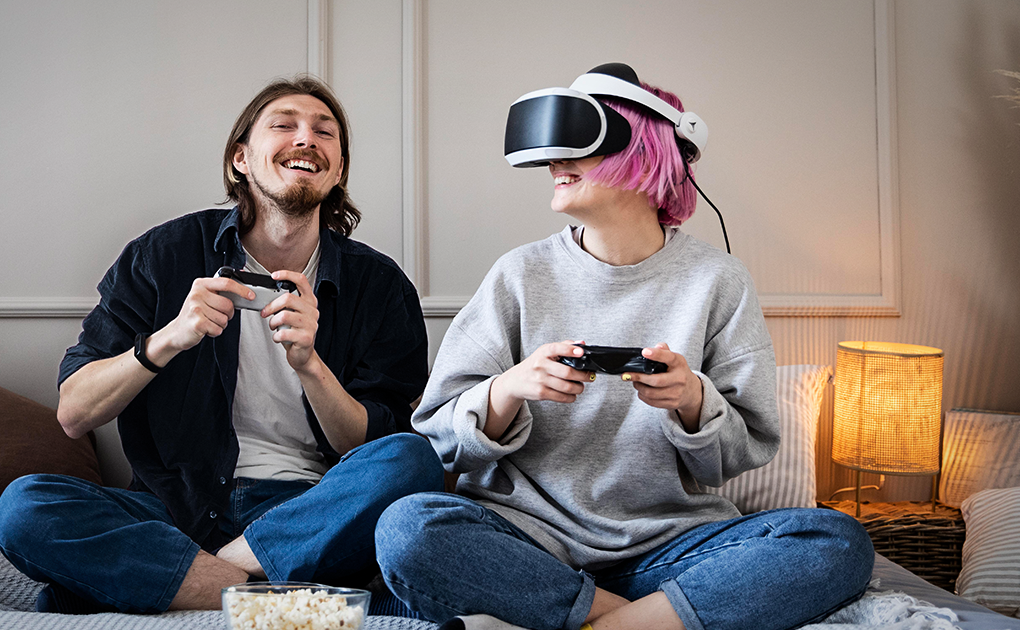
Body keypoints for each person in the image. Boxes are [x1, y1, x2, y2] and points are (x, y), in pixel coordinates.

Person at [375, 64, 874, 630]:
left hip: (671, 551)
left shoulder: (718, 281)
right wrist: (510, 388)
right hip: (525, 546)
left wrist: (692, 399)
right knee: (407, 528)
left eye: (577, 148)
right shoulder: (518, 275)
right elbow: (437, 440)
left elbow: (739, 456)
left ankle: (583, 621)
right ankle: (644, 623)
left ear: (644, 155)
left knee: (837, 540)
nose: (555, 163)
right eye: (552, 152)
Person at [0, 75, 443, 614]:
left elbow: (369, 451)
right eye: (284, 125)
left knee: (412, 457)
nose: (307, 139)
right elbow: (73, 412)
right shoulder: (163, 255)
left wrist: (310, 365)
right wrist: (167, 340)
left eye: (325, 133)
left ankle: (178, 582)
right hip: (175, 512)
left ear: (337, 169)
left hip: (311, 513)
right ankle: (267, 594)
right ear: (240, 160)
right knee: (23, 507)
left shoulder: (380, 285)